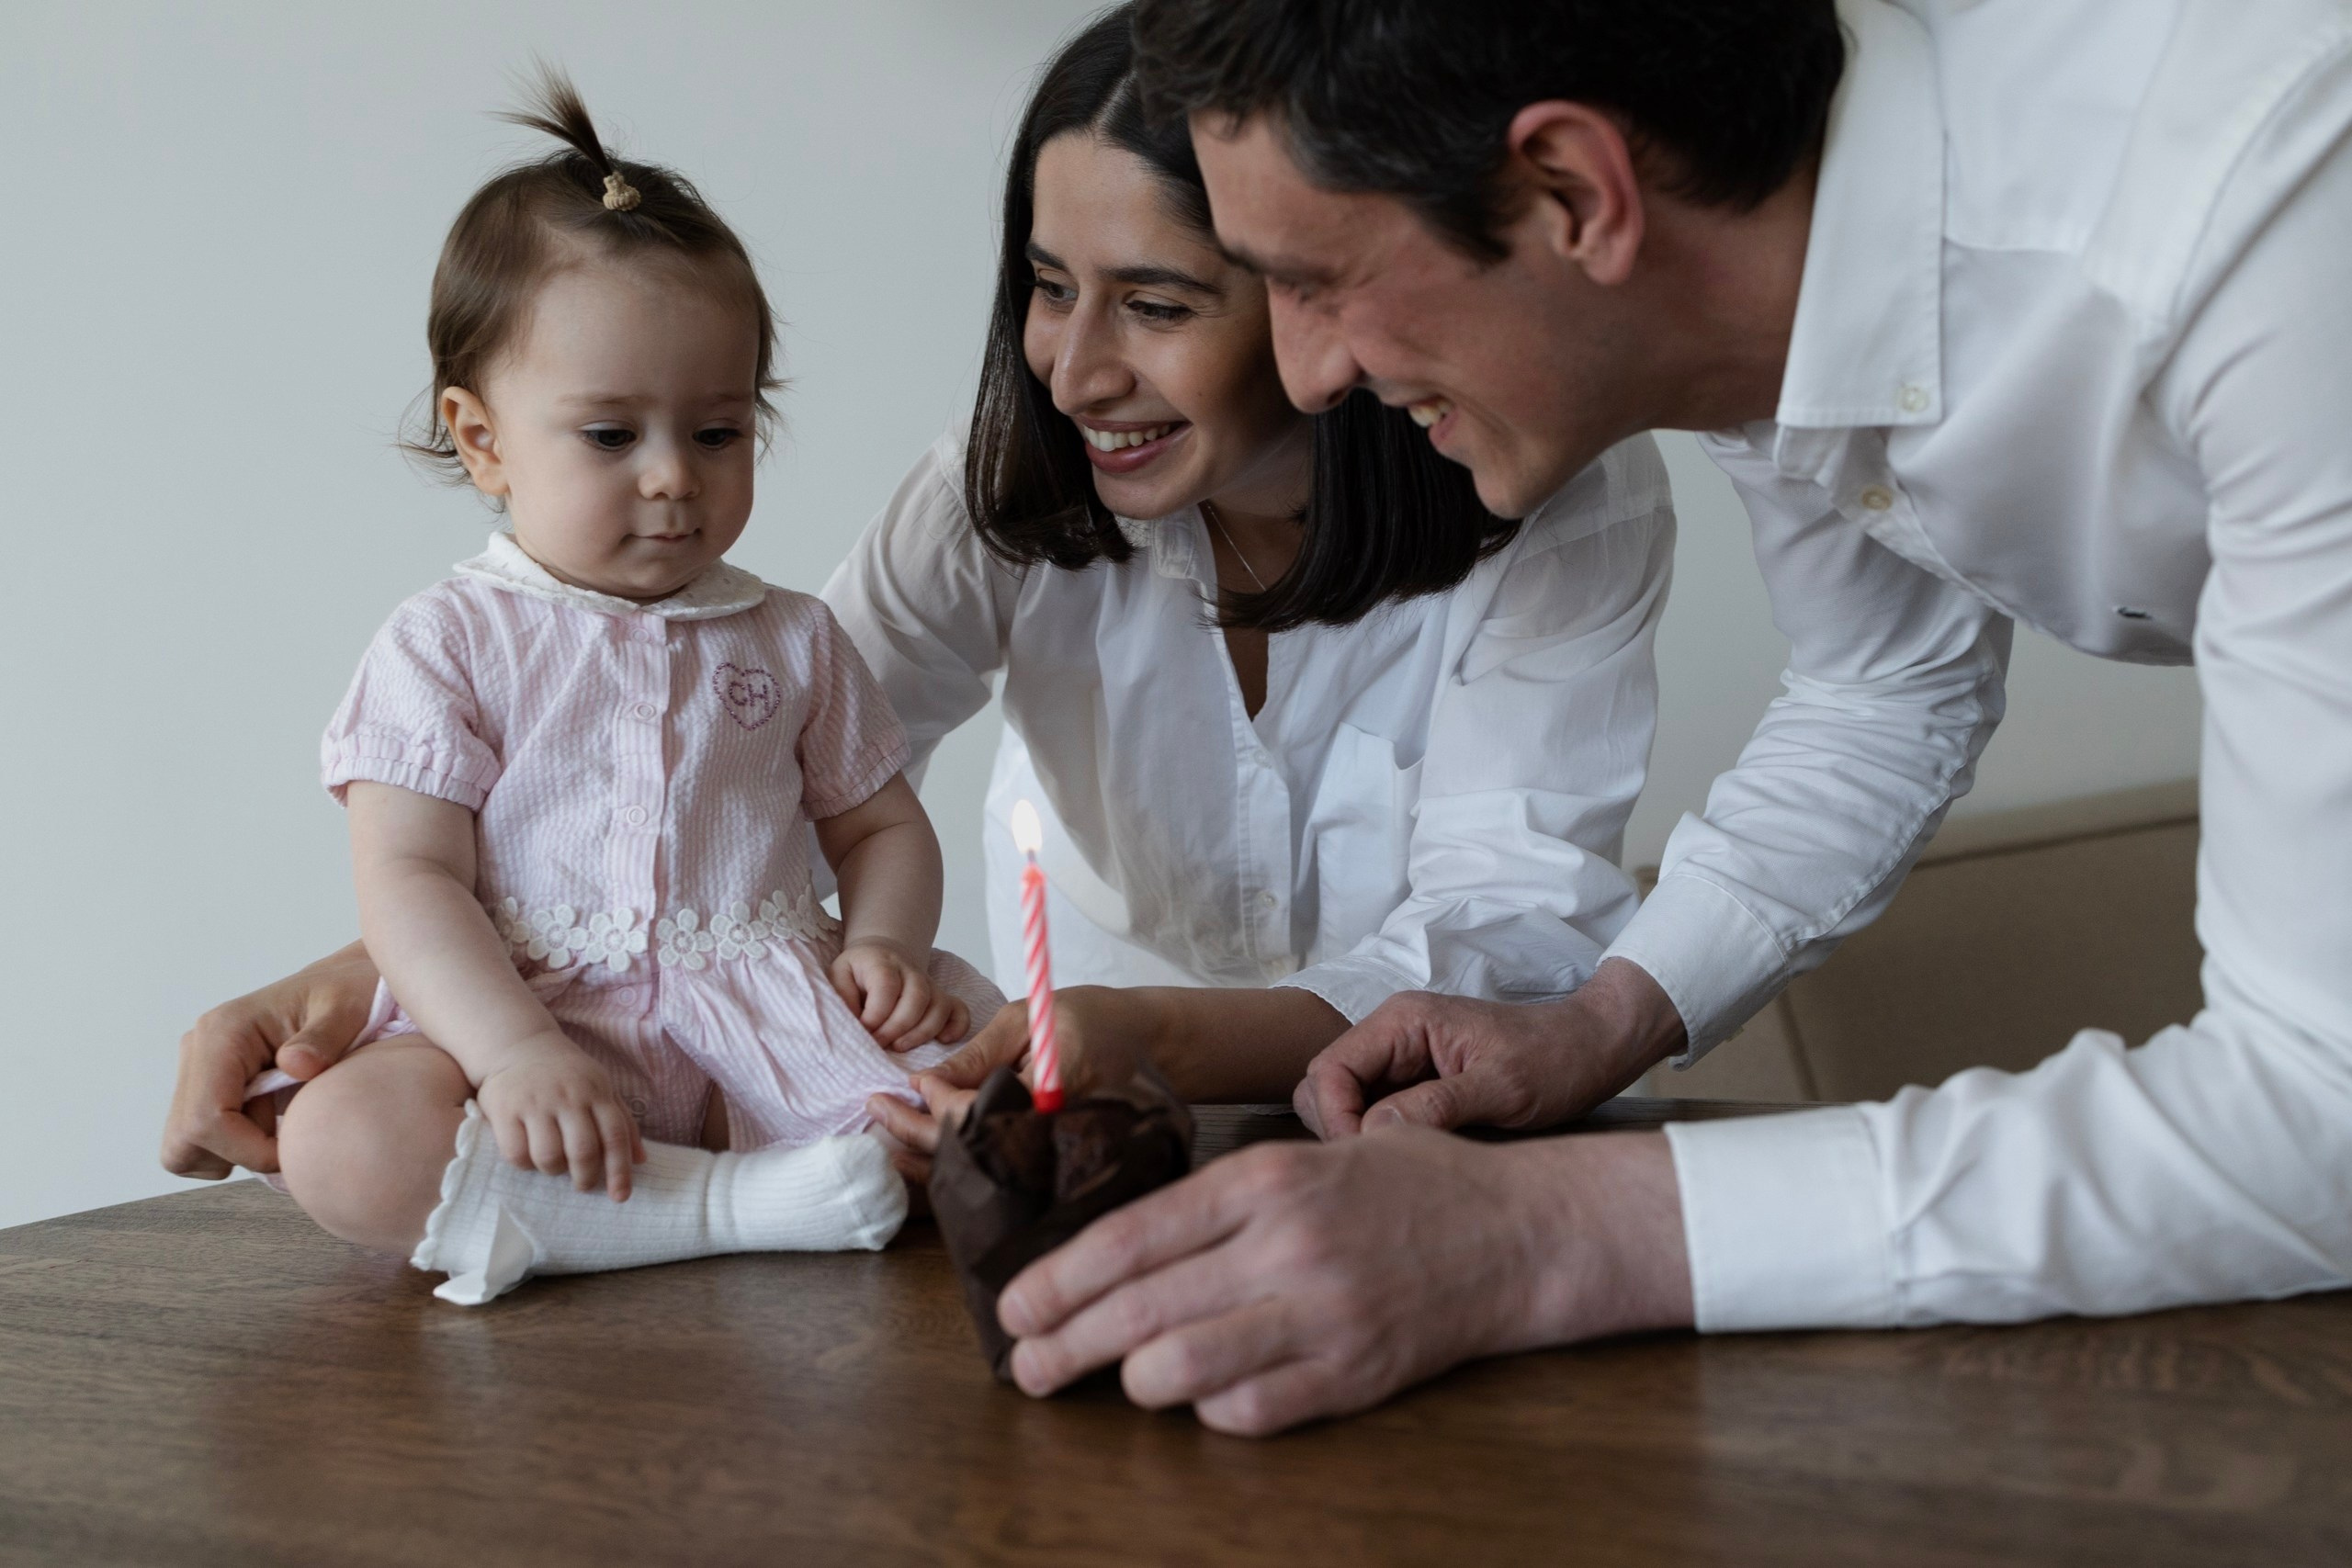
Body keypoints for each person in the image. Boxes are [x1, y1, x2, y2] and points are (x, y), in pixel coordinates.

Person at [973, 0, 2352, 1435]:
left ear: (1575, 191)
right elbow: (1888, 683)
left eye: (1315, 281)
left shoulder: (2269, 197)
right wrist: (1606, 1016)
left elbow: (2325, 1110)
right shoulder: (1748, 284)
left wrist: (1540, 1231)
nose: (1312, 372)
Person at [163, 16, 1674, 1206]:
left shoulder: (1557, 497)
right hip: (1054, 1120)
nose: (1073, 372)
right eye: (1044, 284)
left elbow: (1509, 939)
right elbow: (697, 813)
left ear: (1320, 292)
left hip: (1409, 1143)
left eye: (1155, 304)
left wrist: (1124, 1029)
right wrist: (351, 989)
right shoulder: (1009, 489)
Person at [258, 77, 1004, 1305]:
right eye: (611, 437)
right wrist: (511, 1053)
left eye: (716, 434)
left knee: (973, 1121)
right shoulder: (447, 641)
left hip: (763, 1010)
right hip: (531, 1013)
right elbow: (409, 876)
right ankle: (713, 1206)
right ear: (482, 437)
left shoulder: (793, 636)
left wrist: (883, 942)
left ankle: (693, 1198)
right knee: (340, 1144)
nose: (672, 480)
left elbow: (878, 823)